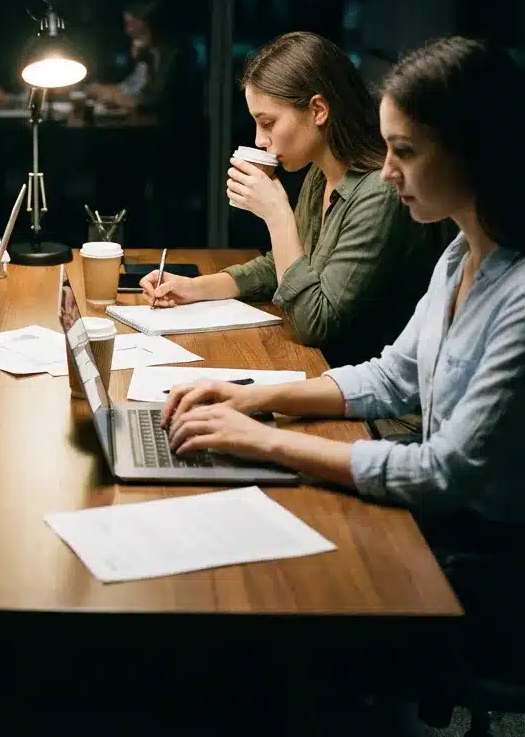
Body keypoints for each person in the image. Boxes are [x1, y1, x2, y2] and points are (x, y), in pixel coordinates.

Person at [162, 37, 525, 667]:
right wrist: (252, 398)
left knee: (268, 598)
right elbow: (392, 376)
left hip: (489, 559)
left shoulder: (517, 292)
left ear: (472, 150)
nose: (386, 172)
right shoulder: (458, 256)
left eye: (404, 152)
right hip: (446, 521)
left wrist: (265, 441)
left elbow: (440, 472)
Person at [141, 31, 446, 365]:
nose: (260, 140)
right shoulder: (320, 173)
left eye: (268, 123)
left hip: (356, 380)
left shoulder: (379, 191)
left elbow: (313, 324)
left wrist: (278, 215)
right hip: (323, 370)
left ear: (318, 110)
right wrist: (195, 288)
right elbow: (287, 266)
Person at [90, 0, 173, 111]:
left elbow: (155, 99)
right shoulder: (147, 53)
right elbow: (132, 85)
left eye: (133, 24)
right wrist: (104, 90)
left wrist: (117, 98)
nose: (129, 31)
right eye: (127, 24)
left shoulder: (170, 55)